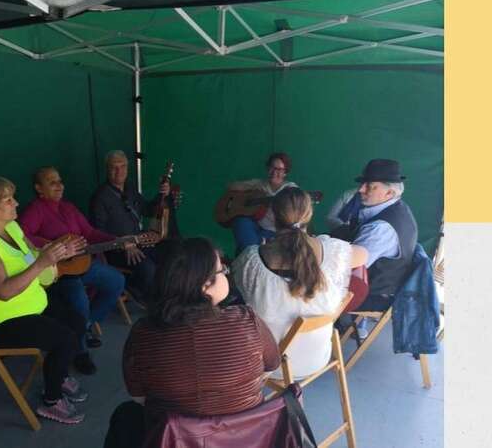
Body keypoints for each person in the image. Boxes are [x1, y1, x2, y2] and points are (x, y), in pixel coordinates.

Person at [103, 238, 281, 448]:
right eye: (222, 270)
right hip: (246, 439)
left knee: (126, 414)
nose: (226, 274)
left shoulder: (142, 333)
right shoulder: (247, 320)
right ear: (205, 286)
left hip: (173, 440)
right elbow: (272, 365)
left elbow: (138, 397)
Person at [0, 176, 88, 424]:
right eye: (8, 200)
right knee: (65, 339)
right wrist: (41, 263)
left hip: (31, 305)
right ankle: (51, 401)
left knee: (78, 322)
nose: (16, 203)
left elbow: (34, 256)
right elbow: (3, 291)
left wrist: (58, 254)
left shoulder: (12, 228)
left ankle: (58, 375)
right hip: (0, 323)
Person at [232, 187, 368, 378]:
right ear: (309, 215)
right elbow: (364, 255)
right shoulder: (333, 251)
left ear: (273, 216)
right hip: (317, 358)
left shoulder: (251, 260)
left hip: (266, 364)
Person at [19, 166, 126, 368]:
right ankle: (80, 350)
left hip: (81, 264)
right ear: (39, 188)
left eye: (60, 181)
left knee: (116, 281)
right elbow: (22, 235)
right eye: (52, 182)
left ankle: (84, 326)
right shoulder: (36, 209)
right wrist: (54, 246)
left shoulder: (68, 207)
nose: (59, 185)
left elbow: (90, 233)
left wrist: (117, 240)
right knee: (79, 300)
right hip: (58, 272)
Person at [328, 159, 419, 314]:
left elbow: (347, 267)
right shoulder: (399, 207)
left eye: (370, 186)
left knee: (301, 290)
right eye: (362, 184)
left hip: (372, 294)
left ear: (389, 193)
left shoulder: (380, 228)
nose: (361, 189)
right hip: (376, 285)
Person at [89, 150, 173, 304]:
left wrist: (162, 195)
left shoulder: (130, 189)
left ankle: (168, 300)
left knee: (168, 255)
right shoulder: (100, 197)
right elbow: (97, 232)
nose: (119, 171)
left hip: (139, 243)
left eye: (122, 166)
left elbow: (147, 210)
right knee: (148, 269)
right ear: (107, 169)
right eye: (114, 167)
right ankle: (144, 299)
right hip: (116, 249)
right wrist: (122, 243)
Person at [227, 152, 298, 255]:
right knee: (240, 221)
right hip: (255, 227)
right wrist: (248, 192)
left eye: (279, 169)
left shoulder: (291, 190)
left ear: (285, 173)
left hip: (275, 232)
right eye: (272, 167)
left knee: (246, 246)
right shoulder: (260, 184)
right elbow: (231, 186)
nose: (274, 172)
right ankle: (253, 253)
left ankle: (250, 254)